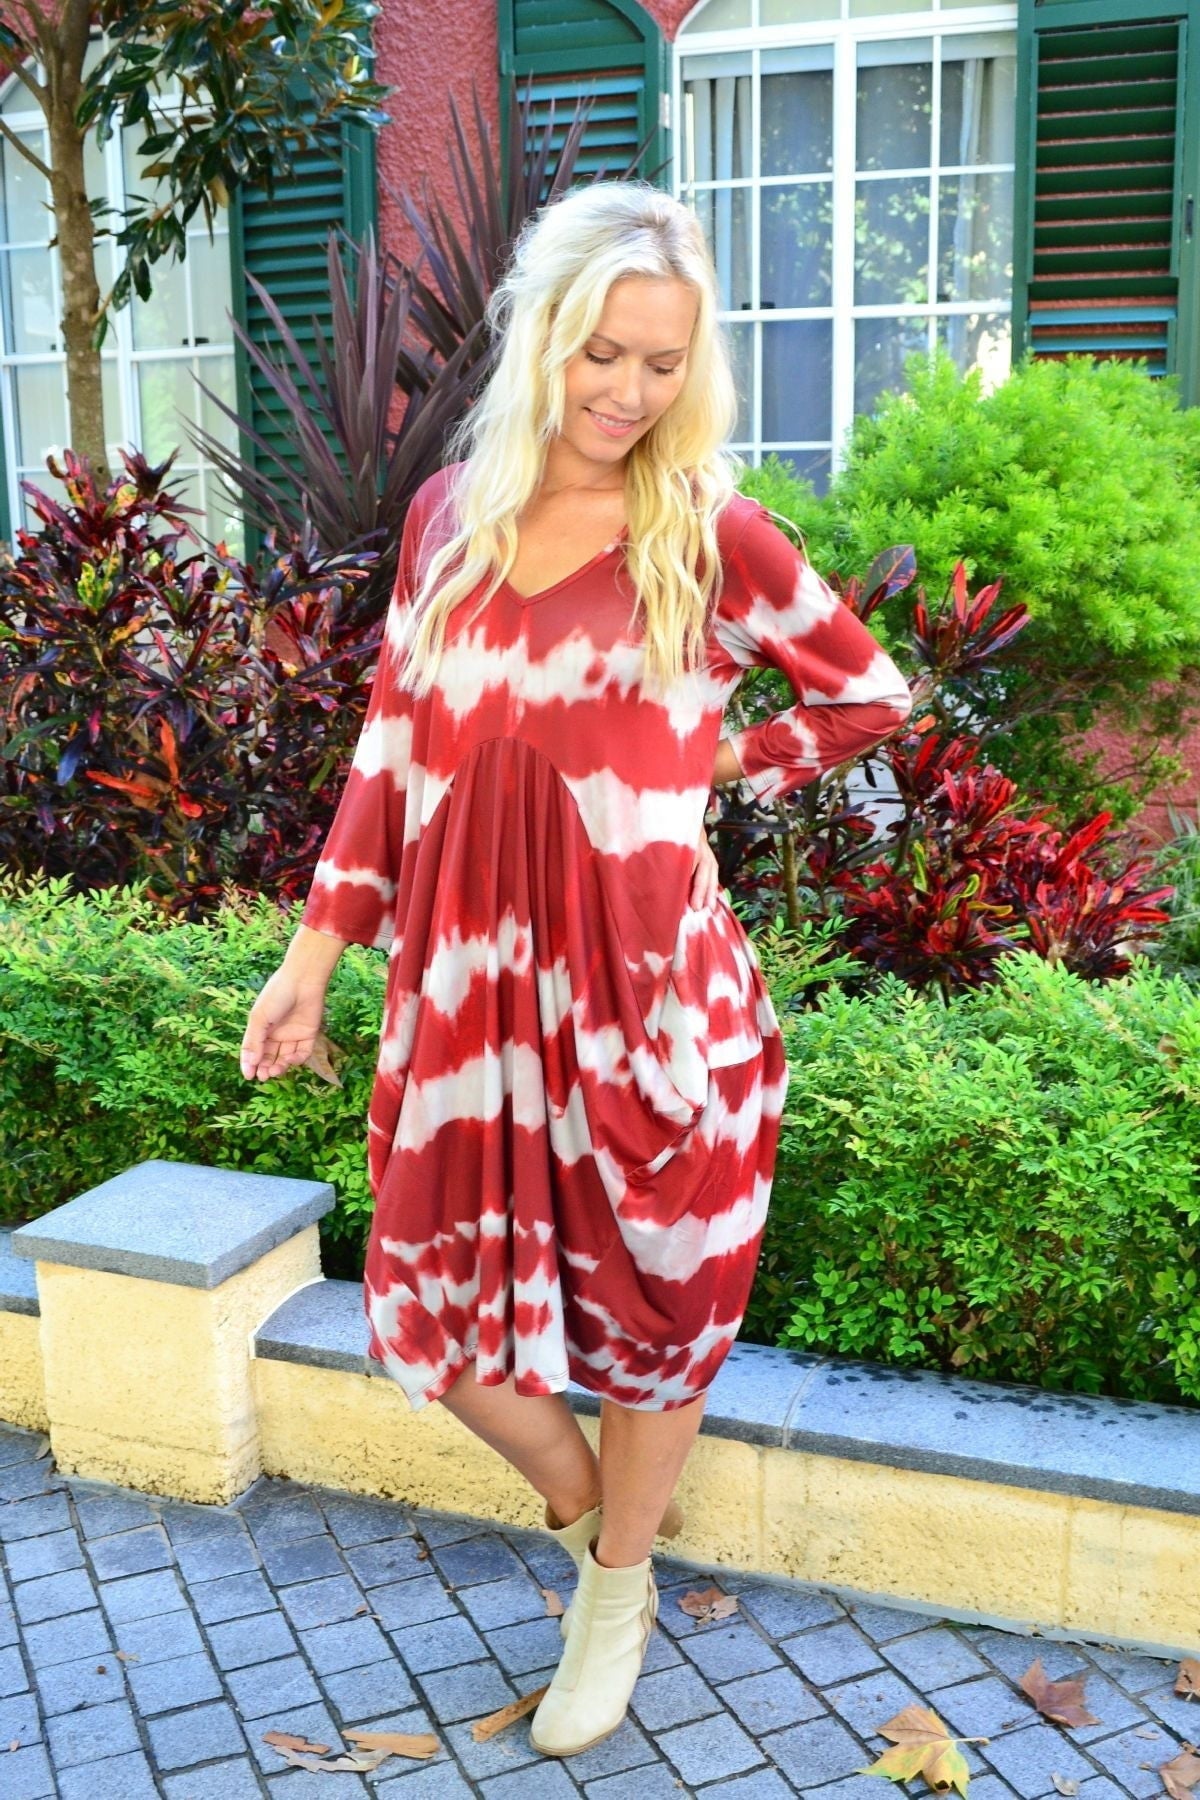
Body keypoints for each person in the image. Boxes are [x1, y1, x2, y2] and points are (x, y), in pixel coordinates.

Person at [239, 179, 913, 1759]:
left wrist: (699, 765)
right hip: (466, 992)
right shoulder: (446, 518)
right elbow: (392, 748)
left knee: (660, 1304)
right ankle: (595, 1519)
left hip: (646, 993)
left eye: (664, 363)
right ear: (542, 336)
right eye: (603, 353)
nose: (628, 391)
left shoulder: (710, 532)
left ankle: (614, 1596)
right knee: (428, 1304)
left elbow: (869, 698)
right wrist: (312, 955)